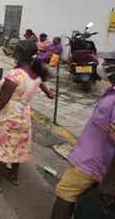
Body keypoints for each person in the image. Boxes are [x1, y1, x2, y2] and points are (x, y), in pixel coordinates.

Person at [0, 41, 55, 193]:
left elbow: (2, 100)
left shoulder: (15, 75)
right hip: (23, 115)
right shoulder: (35, 73)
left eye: (14, 50)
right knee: (17, 144)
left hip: (8, 115)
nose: (12, 51)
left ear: (19, 54)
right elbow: (46, 90)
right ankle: (13, 175)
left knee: (3, 147)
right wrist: (50, 94)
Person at [50, 50, 115, 219]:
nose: (105, 66)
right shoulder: (111, 89)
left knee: (65, 192)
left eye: (109, 62)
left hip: (94, 161)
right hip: (87, 153)